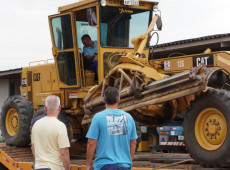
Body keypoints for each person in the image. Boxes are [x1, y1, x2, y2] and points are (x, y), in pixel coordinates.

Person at [86, 87, 137, 170]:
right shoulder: (129, 118)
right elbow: (133, 142)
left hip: (104, 165)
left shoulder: (98, 117)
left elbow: (91, 143)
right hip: (125, 166)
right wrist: (129, 161)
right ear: (118, 100)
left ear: (104, 100)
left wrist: (88, 164)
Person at [31, 95, 70, 170]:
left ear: (45, 108)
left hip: (38, 167)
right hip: (54, 167)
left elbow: (33, 148)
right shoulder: (60, 126)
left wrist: (39, 163)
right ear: (59, 108)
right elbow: (63, 152)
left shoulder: (36, 125)